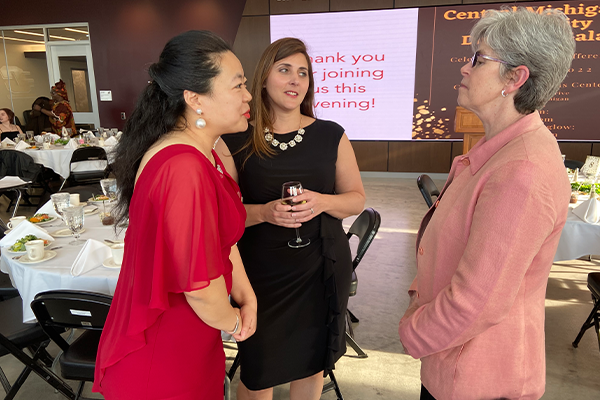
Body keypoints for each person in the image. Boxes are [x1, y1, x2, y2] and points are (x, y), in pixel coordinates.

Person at [398, 8, 575, 400]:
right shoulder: (498, 150)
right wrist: (419, 298)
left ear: (515, 78)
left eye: (478, 59)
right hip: (455, 365)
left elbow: (477, 303)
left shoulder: (521, 171)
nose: (465, 68)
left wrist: (412, 330)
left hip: (482, 380)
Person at [93, 30, 257, 399]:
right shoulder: (183, 166)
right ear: (195, 98)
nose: (248, 96)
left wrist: (247, 296)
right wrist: (235, 322)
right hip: (166, 352)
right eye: (238, 85)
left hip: (191, 337)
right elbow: (198, 288)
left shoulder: (201, 153)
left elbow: (222, 241)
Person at [217, 37, 365, 400]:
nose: (295, 80)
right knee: (258, 373)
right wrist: (265, 212)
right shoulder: (234, 140)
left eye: (303, 73)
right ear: (263, 78)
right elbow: (222, 217)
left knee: (310, 366)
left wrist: (323, 201)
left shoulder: (331, 134)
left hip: (319, 269)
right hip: (259, 276)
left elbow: (356, 200)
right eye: (285, 70)